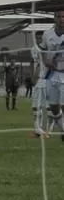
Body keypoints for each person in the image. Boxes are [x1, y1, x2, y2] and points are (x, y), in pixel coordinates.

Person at [40, 9, 64, 139]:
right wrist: (46, 62)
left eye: (63, 16)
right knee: (54, 107)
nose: (61, 19)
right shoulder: (47, 34)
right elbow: (42, 51)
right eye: (59, 16)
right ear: (55, 18)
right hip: (51, 74)